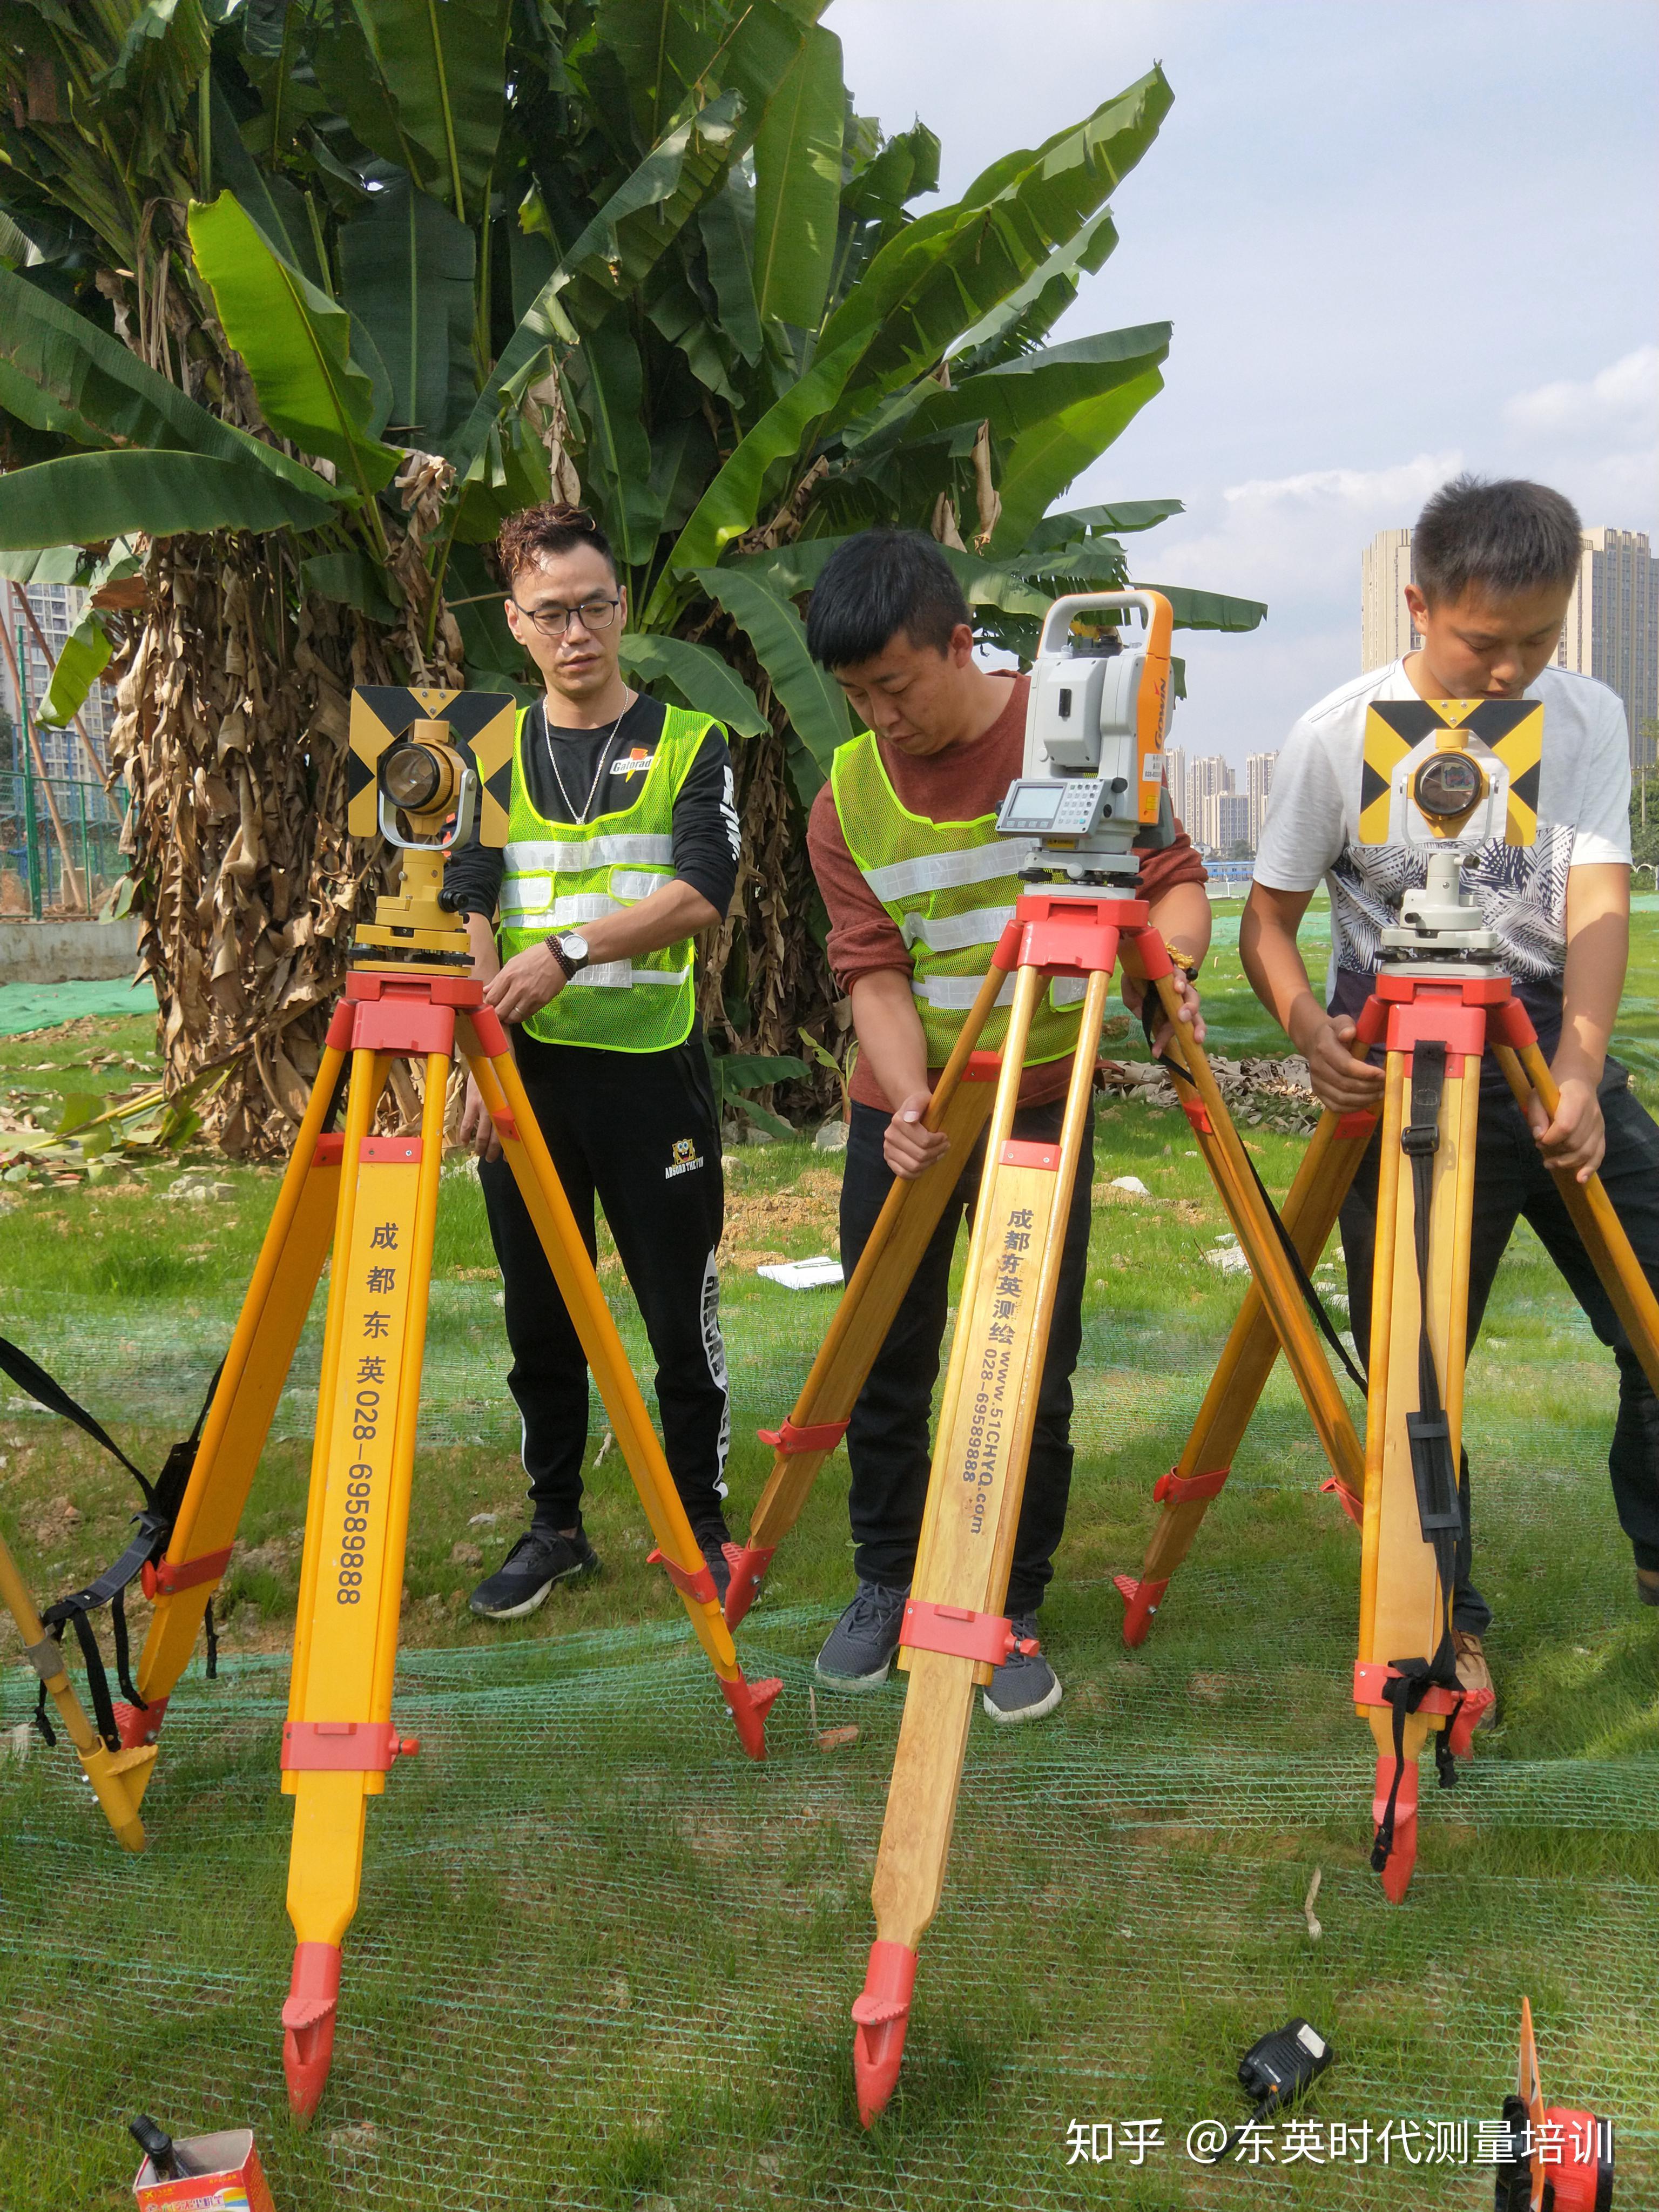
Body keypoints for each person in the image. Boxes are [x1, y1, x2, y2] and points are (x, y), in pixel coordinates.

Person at [1243, 474, 1659, 1718]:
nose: (1511, 667)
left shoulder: (1585, 716)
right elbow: (1266, 919)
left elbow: (1594, 901)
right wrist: (1311, 1029)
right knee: (1418, 1371)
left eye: (1539, 639)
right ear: (1419, 605)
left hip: (1542, 1053)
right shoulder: (1335, 731)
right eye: (1487, 642)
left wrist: (1580, 1071)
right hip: (1408, 1072)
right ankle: (1446, 1618)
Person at [803, 528, 1212, 1722]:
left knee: (1033, 1356)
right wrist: (910, 1096)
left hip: (1045, 1091)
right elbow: (871, 965)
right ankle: (887, 1576)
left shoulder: (1074, 727)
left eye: (898, 684)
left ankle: (1011, 1596)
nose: (883, 715)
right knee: (888, 1349)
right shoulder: (851, 793)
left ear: (957, 642)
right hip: (912, 1103)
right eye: (857, 696)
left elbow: (1172, 880)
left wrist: (1169, 966)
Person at [444, 502, 741, 1618]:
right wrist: (484, 1053)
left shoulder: (687, 741)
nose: (579, 632)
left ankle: (700, 1521)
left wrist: (570, 948)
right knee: (539, 1313)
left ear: (623, 609)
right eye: (553, 613)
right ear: (517, 625)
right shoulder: (487, 750)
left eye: (597, 607)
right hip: (527, 1084)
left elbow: (701, 891)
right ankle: (555, 1523)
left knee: (679, 1307)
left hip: (651, 1073)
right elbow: (466, 897)